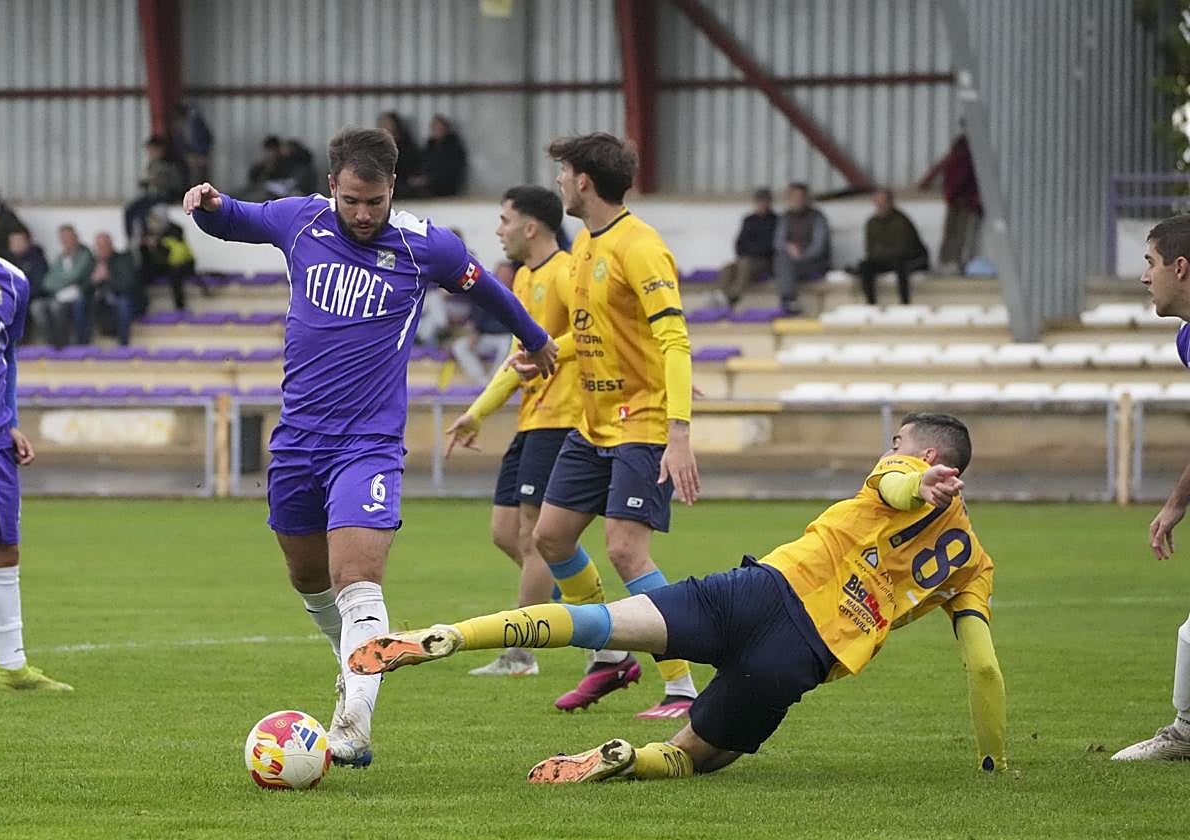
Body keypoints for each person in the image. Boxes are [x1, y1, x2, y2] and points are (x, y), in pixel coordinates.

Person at [348, 413, 1005, 783]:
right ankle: (625, 759)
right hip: (800, 655)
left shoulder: (908, 470)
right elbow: (983, 667)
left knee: (597, 619)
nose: (889, 451)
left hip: (755, 592)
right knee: (700, 757)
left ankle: (455, 635)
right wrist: (992, 761)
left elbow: (895, 484)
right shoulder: (974, 562)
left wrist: (914, 485)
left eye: (897, 443)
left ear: (923, 452)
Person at [183, 126, 558, 767]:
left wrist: (533, 336)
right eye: (352, 200)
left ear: (392, 189)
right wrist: (208, 205)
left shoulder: (423, 245)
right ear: (333, 186)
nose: (362, 215)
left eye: (374, 202)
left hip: (369, 442)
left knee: (355, 575)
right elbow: (235, 222)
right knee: (307, 578)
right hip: (298, 442)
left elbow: (486, 290)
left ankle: (354, 721)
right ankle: (351, 666)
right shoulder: (300, 222)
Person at [500, 132, 702, 719]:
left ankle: (683, 685)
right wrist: (549, 348)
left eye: (563, 172)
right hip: (592, 428)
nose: (559, 182)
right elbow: (599, 331)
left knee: (625, 551)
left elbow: (675, 341)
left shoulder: (641, 247)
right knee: (550, 537)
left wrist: (679, 433)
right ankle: (612, 655)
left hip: (641, 423)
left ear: (584, 180)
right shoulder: (587, 243)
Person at [446, 186, 579, 677]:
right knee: (506, 533)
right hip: (531, 419)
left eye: (504, 220)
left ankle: (522, 654)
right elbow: (521, 355)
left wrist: (551, 348)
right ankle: (586, 617)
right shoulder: (523, 277)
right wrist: (479, 411)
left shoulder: (565, 271)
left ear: (530, 226)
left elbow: (590, 336)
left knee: (535, 537)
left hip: (561, 418)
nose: (498, 230)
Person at [1112, 214, 1190, 761]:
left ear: (1180, 268)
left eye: (1151, 263)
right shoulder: (1187, 338)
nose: (1145, 277)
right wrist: (1175, 504)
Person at [0, 179, 72, 692]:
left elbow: (8, 357)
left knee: (4, 546)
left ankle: (14, 665)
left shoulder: (13, 282)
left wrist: (12, 419)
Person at [922, 125, 982, 274]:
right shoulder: (962, 150)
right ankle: (950, 262)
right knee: (954, 233)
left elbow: (959, 178)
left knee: (959, 233)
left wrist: (954, 194)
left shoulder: (965, 152)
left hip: (964, 200)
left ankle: (954, 262)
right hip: (959, 200)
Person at [855, 189, 929, 305]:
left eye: (883, 202)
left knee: (900, 265)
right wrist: (883, 253)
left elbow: (903, 249)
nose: (880, 206)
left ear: (891, 203)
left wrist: (881, 251)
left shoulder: (902, 221)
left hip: (909, 259)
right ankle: (871, 304)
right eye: (878, 202)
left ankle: (904, 303)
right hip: (886, 260)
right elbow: (870, 250)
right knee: (865, 266)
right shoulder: (872, 223)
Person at [450, 261, 517, 386]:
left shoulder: (518, 293)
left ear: (513, 276)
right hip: (485, 336)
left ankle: (494, 382)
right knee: (460, 346)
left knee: (509, 344)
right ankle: (482, 382)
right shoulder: (487, 292)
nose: (504, 277)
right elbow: (477, 316)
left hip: (506, 337)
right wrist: (474, 332)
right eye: (501, 274)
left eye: (507, 274)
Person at [772, 182, 830, 316]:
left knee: (784, 265)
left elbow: (819, 245)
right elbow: (778, 242)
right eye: (794, 197)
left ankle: (788, 300)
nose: (797, 201)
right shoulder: (785, 217)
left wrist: (802, 255)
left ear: (806, 198)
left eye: (800, 197)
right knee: (781, 259)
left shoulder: (818, 217)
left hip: (814, 261)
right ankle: (789, 301)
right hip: (790, 260)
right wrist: (789, 247)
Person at [716, 188, 777, 309]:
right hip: (745, 258)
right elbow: (739, 242)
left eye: (764, 201)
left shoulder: (775, 221)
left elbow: (769, 246)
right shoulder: (749, 220)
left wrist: (749, 253)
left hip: (763, 261)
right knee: (727, 269)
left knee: (745, 265)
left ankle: (733, 297)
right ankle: (724, 296)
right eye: (759, 201)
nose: (761, 204)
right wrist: (742, 254)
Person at [35, 225, 93, 347]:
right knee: (37, 307)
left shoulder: (85, 254)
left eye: (68, 237)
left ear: (76, 237)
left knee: (56, 307)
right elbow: (47, 282)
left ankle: (63, 343)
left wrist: (59, 279)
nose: (66, 241)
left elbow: (75, 275)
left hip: (80, 295)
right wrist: (63, 281)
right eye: (63, 239)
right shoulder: (61, 257)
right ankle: (51, 342)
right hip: (58, 295)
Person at [123, 135, 186, 244]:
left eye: (152, 150)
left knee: (145, 213)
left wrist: (158, 180)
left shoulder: (171, 164)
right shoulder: (152, 163)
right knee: (130, 210)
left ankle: (146, 239)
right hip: (153, 195)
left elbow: (178, 185)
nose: (150, 153)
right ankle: (131, 239)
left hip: (166, 195)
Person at [85, 232, 144, 346]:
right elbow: (84, 289)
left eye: (103, 246)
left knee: (123, 303)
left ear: (110, 245)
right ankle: (83, 344)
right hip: (102, 302)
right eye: (98, 247)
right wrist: (93, 280)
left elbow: (127, 286)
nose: (100, 249)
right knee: (81, 303)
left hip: (125, 298)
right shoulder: (93, 262)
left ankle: (123, 344)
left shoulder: (123, 259)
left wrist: (109, 277)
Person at [139, 213, 198, 311]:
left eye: (154, 221)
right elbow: (148, 260)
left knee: (175, 274)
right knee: (141, 273)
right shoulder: (148, 234)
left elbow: (177, 258)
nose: (152, 224)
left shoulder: (174, 233)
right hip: (165, 265)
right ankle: (141, 306)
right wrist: (144, 248)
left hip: (184, 265)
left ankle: (180, 308)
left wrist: (157, 245)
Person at [411, 115, 468, 198]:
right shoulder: (429, 146)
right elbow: (421, 164)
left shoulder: (453, 147)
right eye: (434, 127)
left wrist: (429, 180)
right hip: (428, 183)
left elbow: (451, 171)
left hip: (446, 186)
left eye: (439, 127)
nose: (436, 130)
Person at [377, 112, 421, 197]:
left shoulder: (406, 144)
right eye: (383, 124)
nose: (385, 126)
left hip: (404, 180)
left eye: (388, 124)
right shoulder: (378, 146)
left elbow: (411, 164)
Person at [172, 101, 214, 186]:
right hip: (188, 156)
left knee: (201, 177)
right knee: (189, 179)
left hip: (200, 155)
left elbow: (207, 138)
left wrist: (203, 155)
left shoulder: (196, 123)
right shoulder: (178, 126)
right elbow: (179, 143)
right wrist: (187, 155)